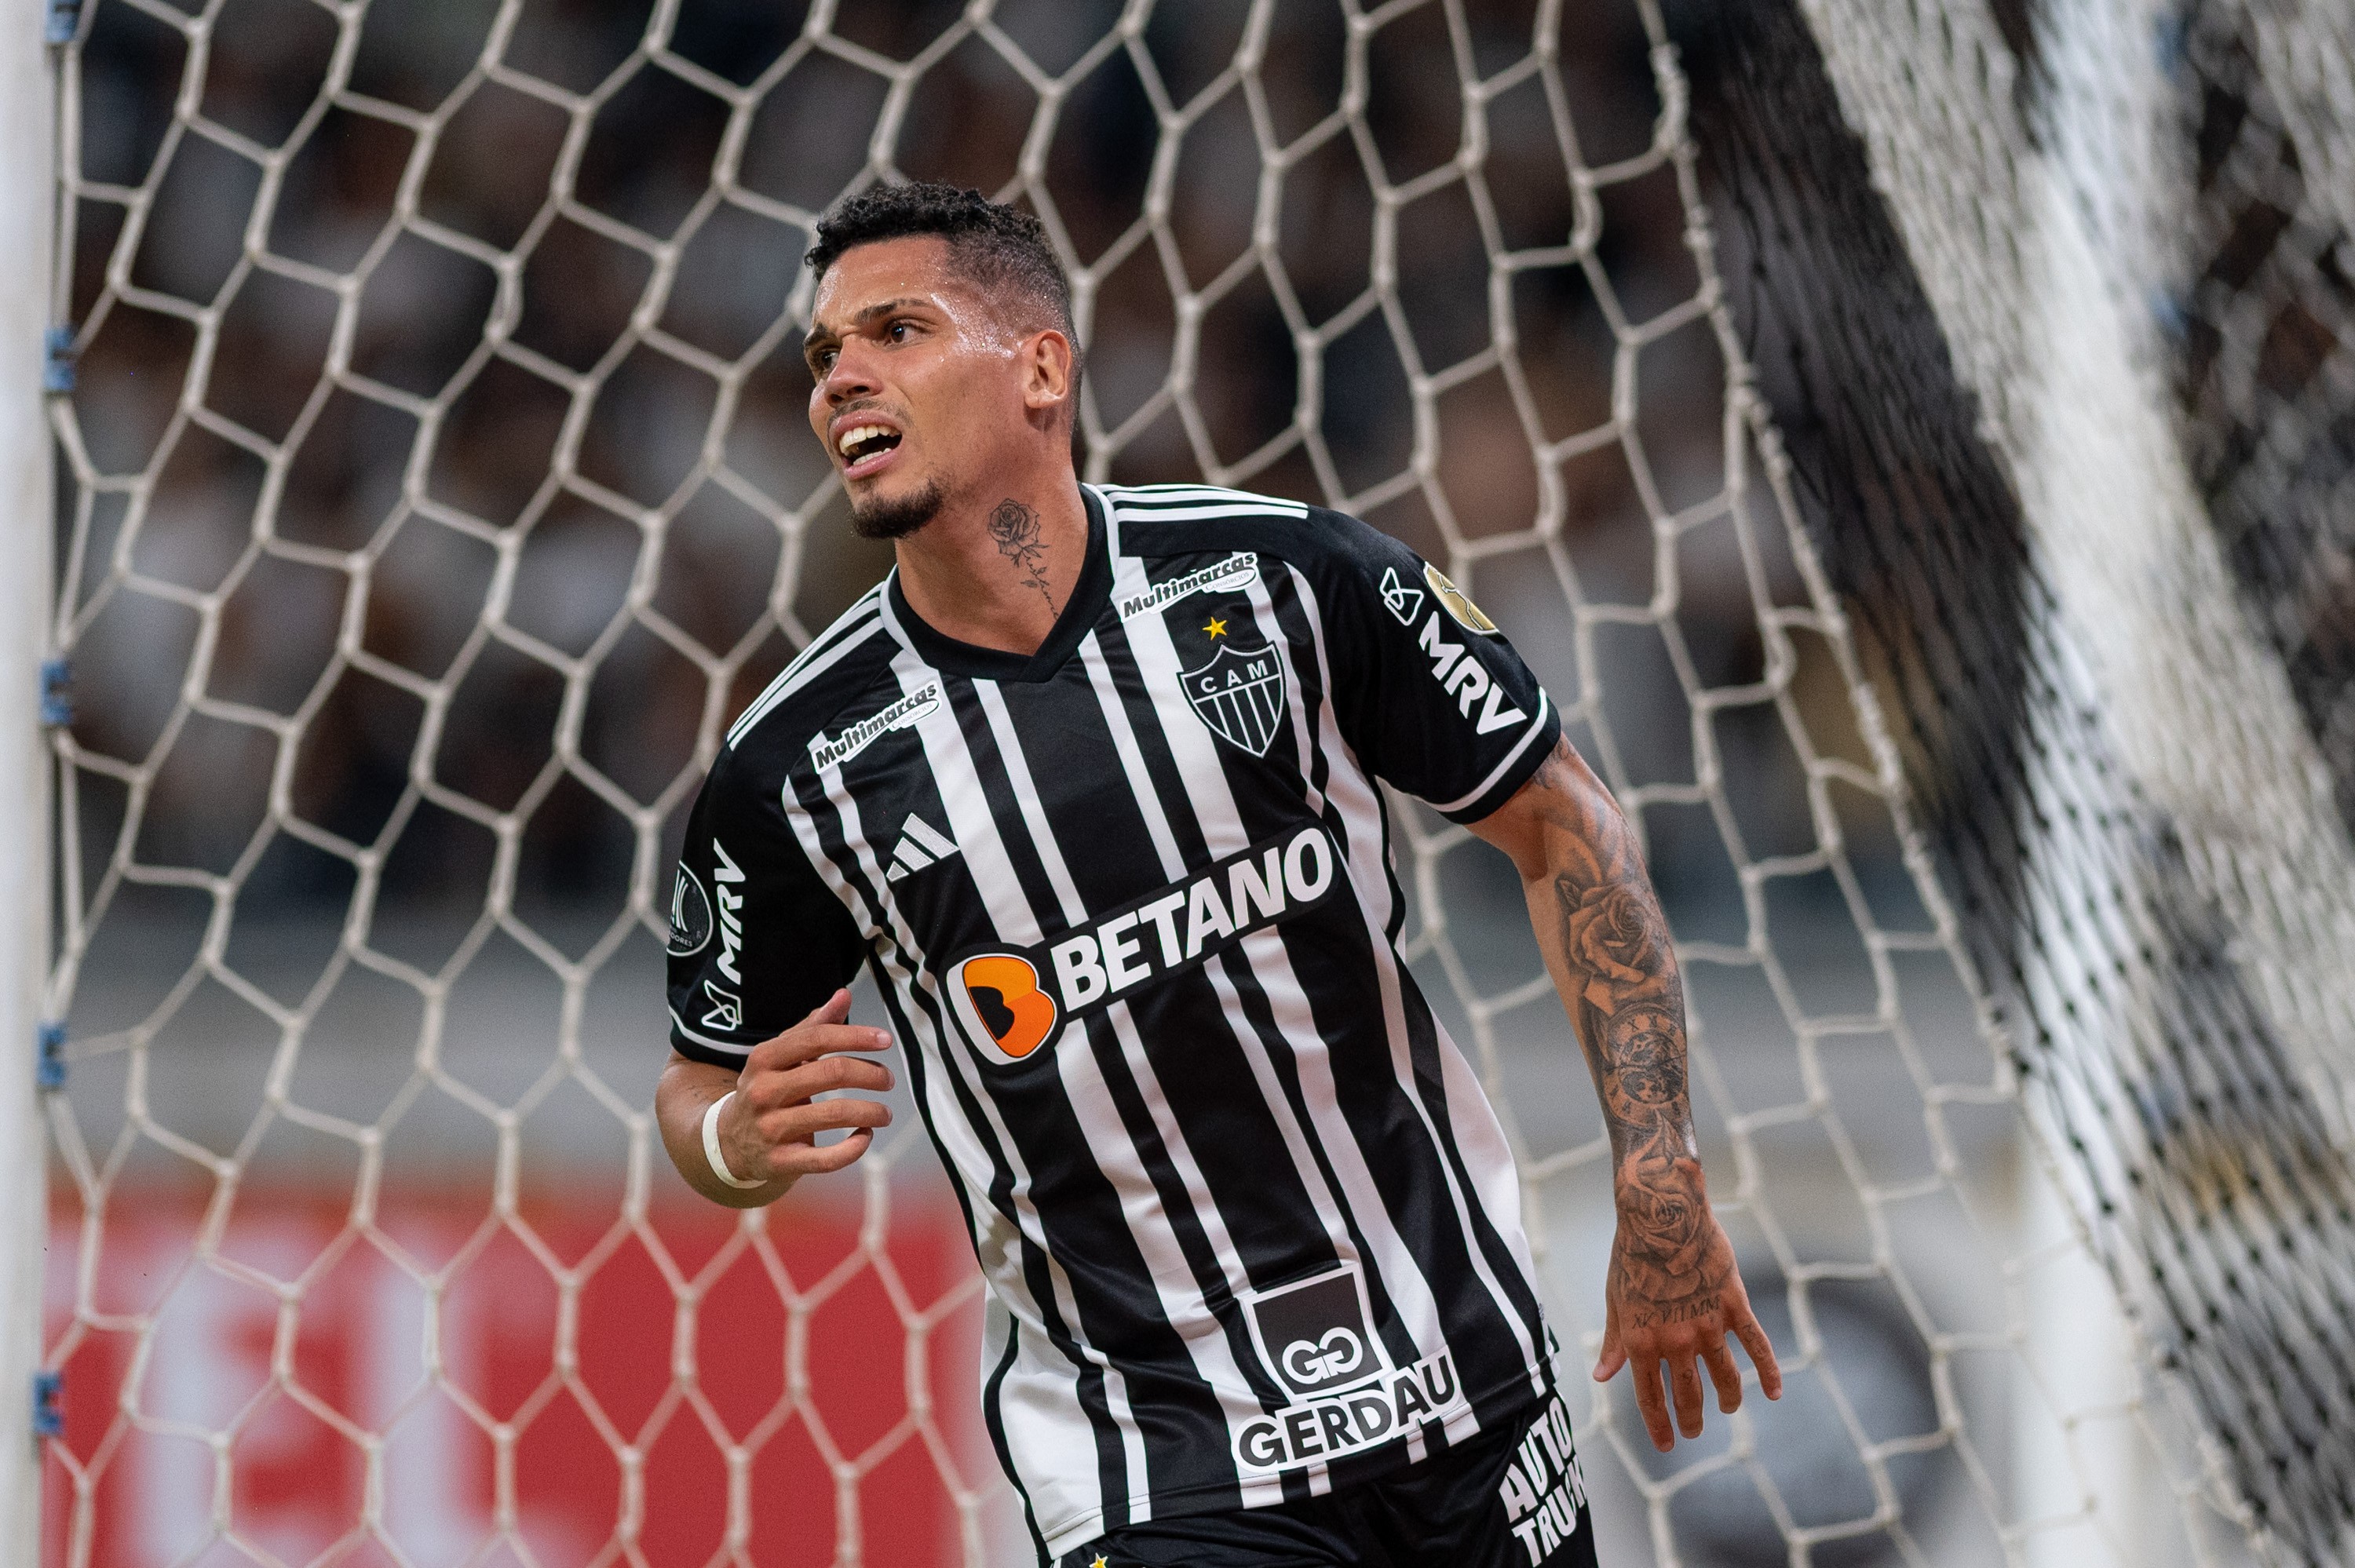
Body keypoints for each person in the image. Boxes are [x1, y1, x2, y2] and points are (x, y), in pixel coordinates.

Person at [653, 182, 1780, 1568]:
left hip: (1458, 1368)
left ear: (1042, 368)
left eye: (897, 328)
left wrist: (1658, 1173)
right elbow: (702, 1075)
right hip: (1155, 1460)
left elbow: (1569, 829)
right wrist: (729, 1143)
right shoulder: (796, 765)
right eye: (825, 354)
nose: (845, 378)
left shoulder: (1288, 578)